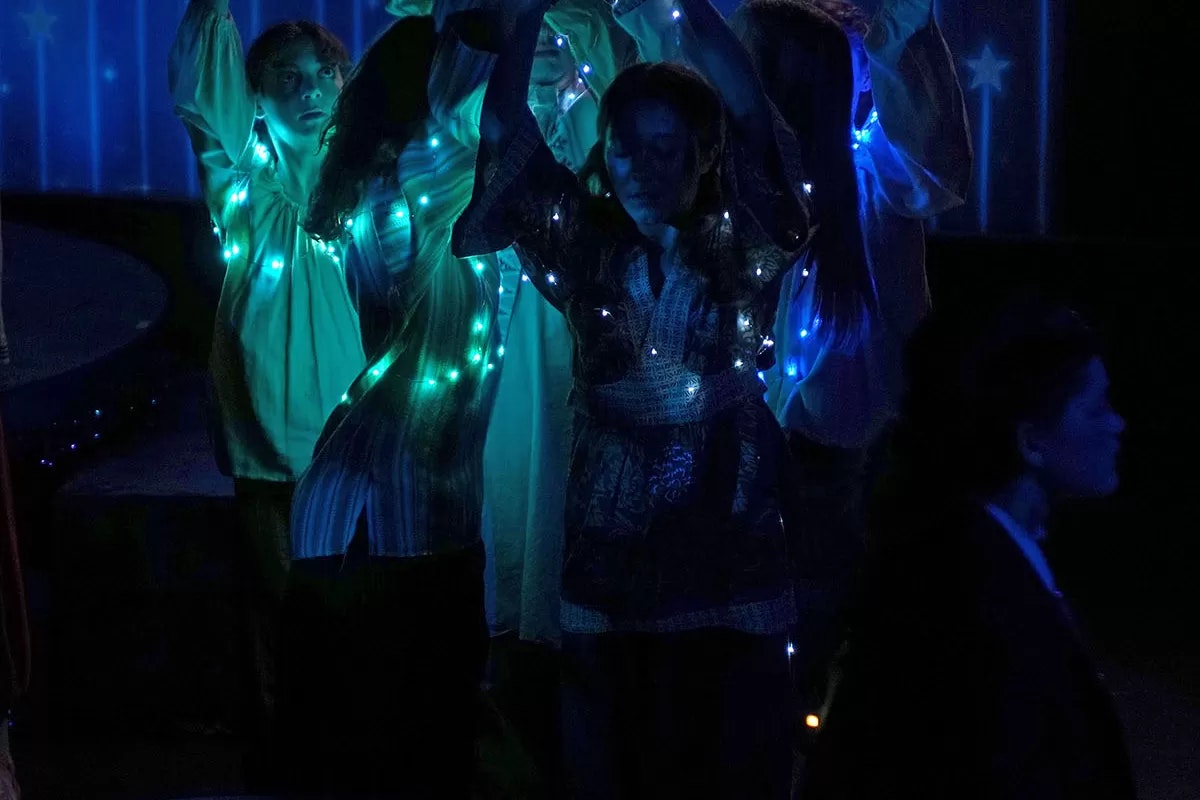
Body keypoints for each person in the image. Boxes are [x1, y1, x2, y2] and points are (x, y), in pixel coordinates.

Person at [454, 0, 869, 794]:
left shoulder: (742, 239)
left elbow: (751, 114)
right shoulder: (581, 243)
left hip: (732, 536)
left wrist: (689, 10)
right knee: (616, 753)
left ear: (704, 153)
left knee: (730, 751)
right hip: (612, 550)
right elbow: (506, 128)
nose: (641, 169)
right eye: (622, 148)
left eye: (665, 148)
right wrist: (526, 15)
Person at [277, 4, 512, 795]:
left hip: (359, 506)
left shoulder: (377, 178)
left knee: (364, 740)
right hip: (405, 509)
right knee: (420, 741)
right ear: (434, 86)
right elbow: (485, 45)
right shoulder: (424, 169)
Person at [729, 0, 972, 716]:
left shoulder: (878, 170)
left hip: (870, 434)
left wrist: (888, 28)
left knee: (864, 611)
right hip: (788, 435)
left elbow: (934, 168)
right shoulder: (757, 177)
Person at [803, 295, 1137, 800]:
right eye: (1096, 406)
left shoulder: (966, 559)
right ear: (1030, 441)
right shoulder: (976, 603)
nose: (1118, 424)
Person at [168, 0, 366, 780]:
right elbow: (203, 90)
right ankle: (289, 747)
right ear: (258, 97)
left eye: (323, 76)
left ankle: (343, 738)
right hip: (261, 414)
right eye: (288, 78)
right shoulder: (240, 176)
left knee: (340, 592)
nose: (309, 90)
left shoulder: (356, 181)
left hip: (343, 413)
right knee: (279, 596)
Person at [484, 0, 637, 651]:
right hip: (505, 335)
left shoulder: (603, 101)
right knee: (518, 471)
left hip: (588, 335)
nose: (546, 38)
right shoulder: (481, 109)